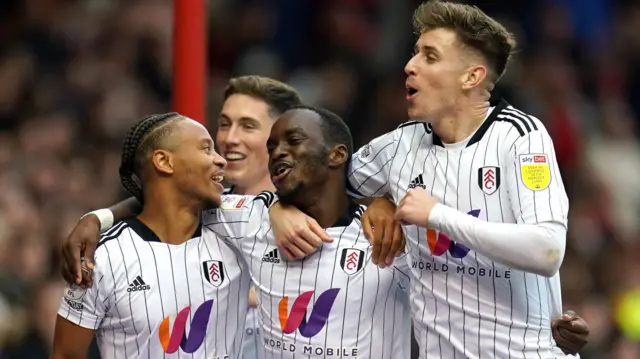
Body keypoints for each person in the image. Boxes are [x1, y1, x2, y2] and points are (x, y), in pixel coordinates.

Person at [266, 1, 588, 358]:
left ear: (472, 77)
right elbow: (318, 185)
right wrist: (286, 210)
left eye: (429, 57)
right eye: (414, 53)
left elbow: (547, 250)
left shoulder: (521, 137)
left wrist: (437, 215)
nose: (410, 66)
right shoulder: (401, 144)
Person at [51, 113, 251, 359]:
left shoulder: (239, 231)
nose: (220, 160)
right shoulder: (102, 257)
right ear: (164, 161)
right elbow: (66, 355)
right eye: (206, 149)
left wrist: (286, 215)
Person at [216, 75, 302, 359]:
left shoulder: (315, 219)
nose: (230, 139)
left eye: (248, 126)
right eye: (225, 124)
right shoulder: (197, 213)